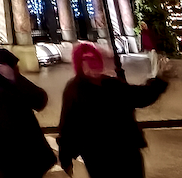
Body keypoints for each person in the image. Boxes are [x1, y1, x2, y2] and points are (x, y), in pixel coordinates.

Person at [58, 42, 169, 177]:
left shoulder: (111, 84)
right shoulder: (74, 91)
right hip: (98, 157)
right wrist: (65, 157)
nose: (92, 65)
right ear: (79, 65)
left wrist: (159, 80)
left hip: (127, 152)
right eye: (86, 60)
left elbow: (139, 97)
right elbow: (67, 126)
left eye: (94, 60)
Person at [0, 48, 56, 178]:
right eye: (11, 66)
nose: (15, 69)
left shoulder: (18, 85)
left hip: (32, 158)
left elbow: (40, 100)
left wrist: (17, 79)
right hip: (7, 163)